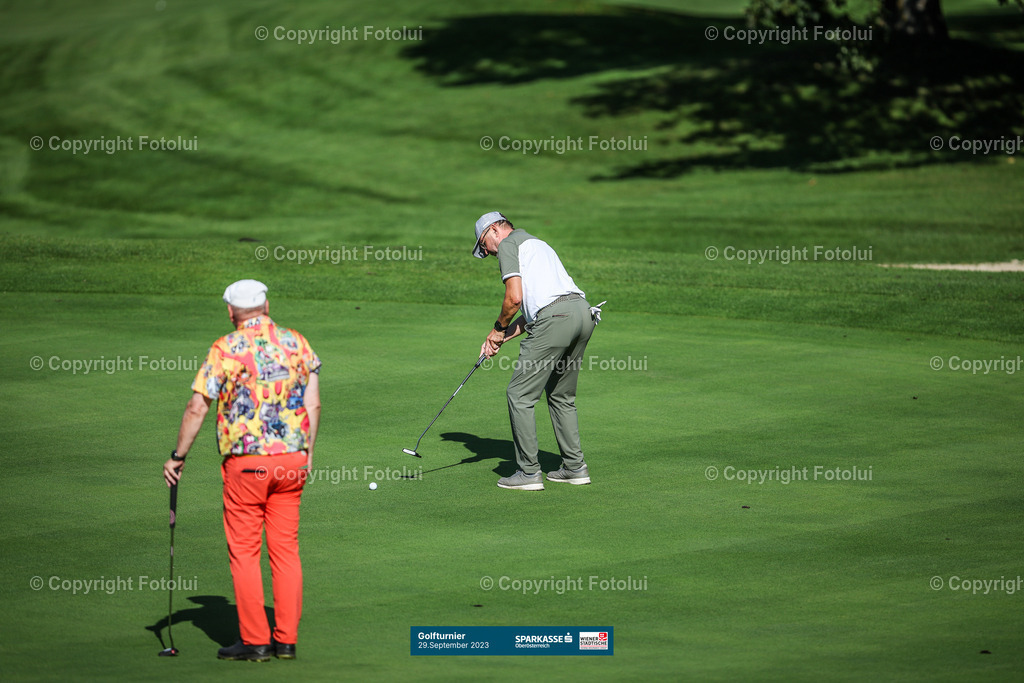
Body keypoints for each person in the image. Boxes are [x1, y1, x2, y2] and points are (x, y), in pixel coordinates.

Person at [162, 279, 321, 662]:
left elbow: (198, 407)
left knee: (246, 552)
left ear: (231, 311)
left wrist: (178, 456)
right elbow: (313, 403)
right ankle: (286, 641)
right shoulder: (296, 342)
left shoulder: (225, 348)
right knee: (286, 551)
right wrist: (308, 451)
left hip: (247, 464)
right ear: (266, 306)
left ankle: (255, 642)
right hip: (292, 459)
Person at [474, 212, 601, 491]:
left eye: (484, 245)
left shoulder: (508, 245)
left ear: (494, 230)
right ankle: (575, 468)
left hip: (556, 319)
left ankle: (529, 472)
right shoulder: (537, 243)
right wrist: (500, 338)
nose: (488, 252)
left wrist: (498, 327)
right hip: (582, 314)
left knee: (519, 395)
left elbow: (514, 298)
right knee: (561, 395)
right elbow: (538, 310)